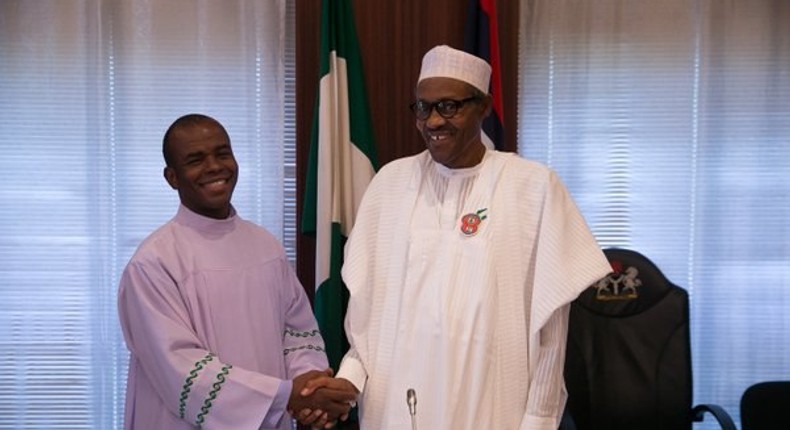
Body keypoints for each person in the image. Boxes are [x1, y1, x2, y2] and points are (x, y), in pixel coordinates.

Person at [300, 45, 613, 429]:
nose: (433, 121)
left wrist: (539, 420)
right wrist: (349, 380)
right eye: (423, 107)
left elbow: (550, 330)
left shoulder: (533, 187)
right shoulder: (390, 184)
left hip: (493, 409)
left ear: (483, 107)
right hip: (396, 406)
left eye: (448, 106)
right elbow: (367, 314)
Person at [117, 113, 354, 430]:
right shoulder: (153, 264)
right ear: (172, 177)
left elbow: (297, 332)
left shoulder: (265, 246)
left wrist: (308, 383)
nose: (214, 166)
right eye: (195, 159)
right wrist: (286, 396)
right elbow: (181, 369)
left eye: (223, 153)